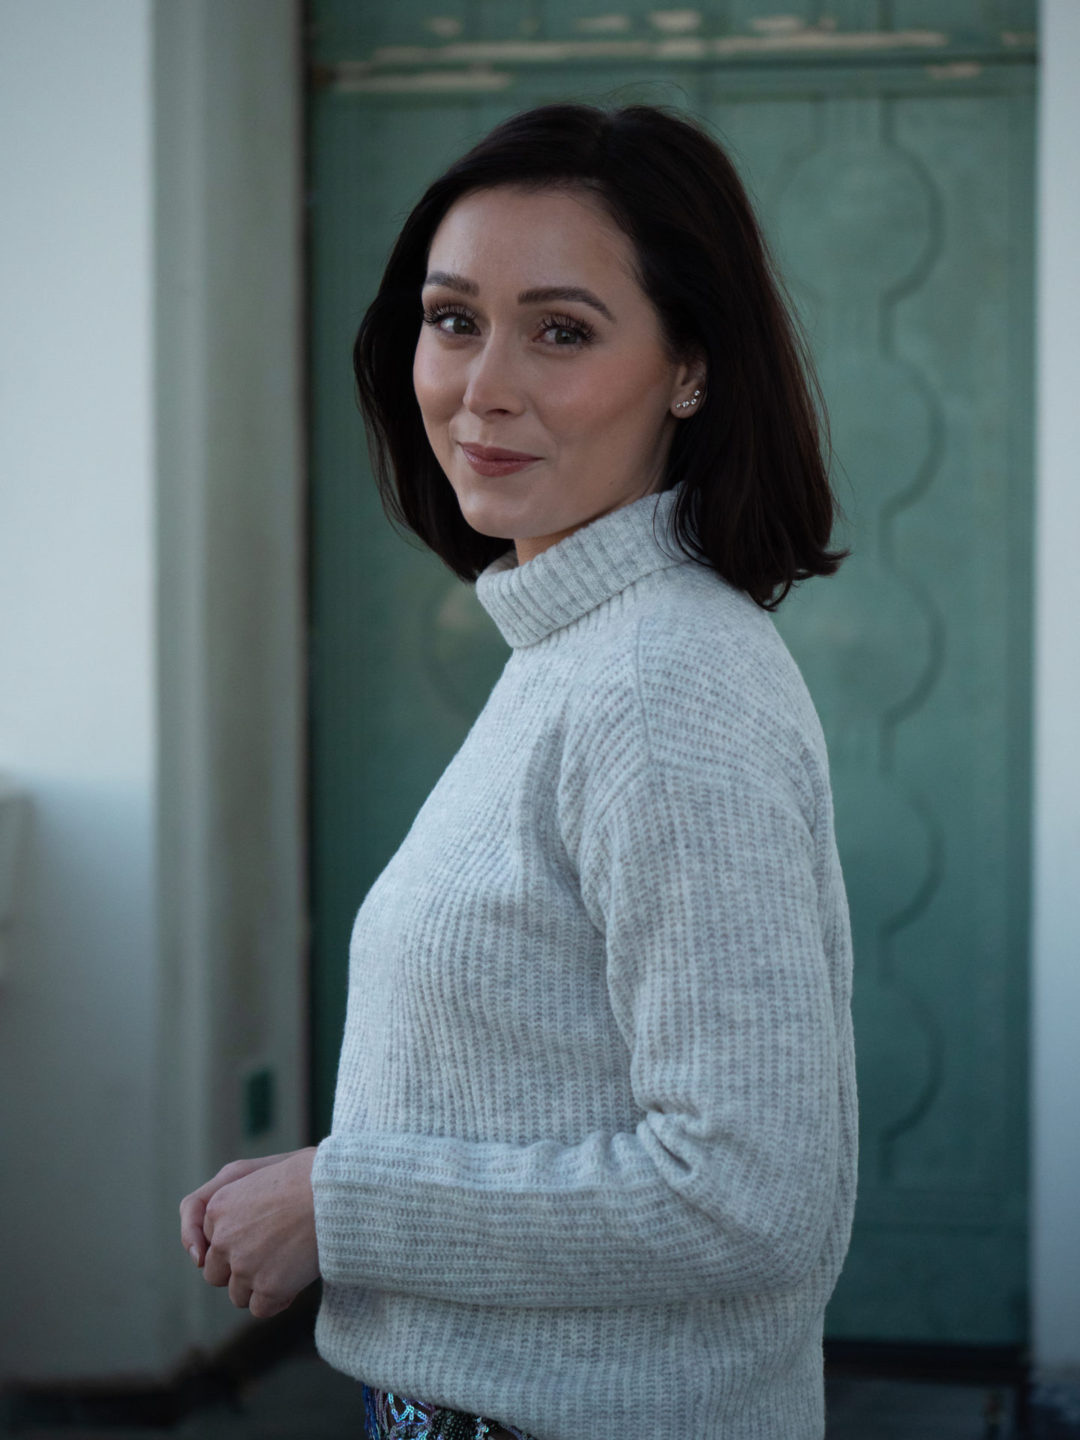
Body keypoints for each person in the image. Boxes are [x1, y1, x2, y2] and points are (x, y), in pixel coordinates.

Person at [180, 103, 857, 1440]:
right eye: (452, 318)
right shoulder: (577, 649)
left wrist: (338, 1200)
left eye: (561, 331)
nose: (482, 386)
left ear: (691, 369)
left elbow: (748, 1194)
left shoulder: (666, 685)